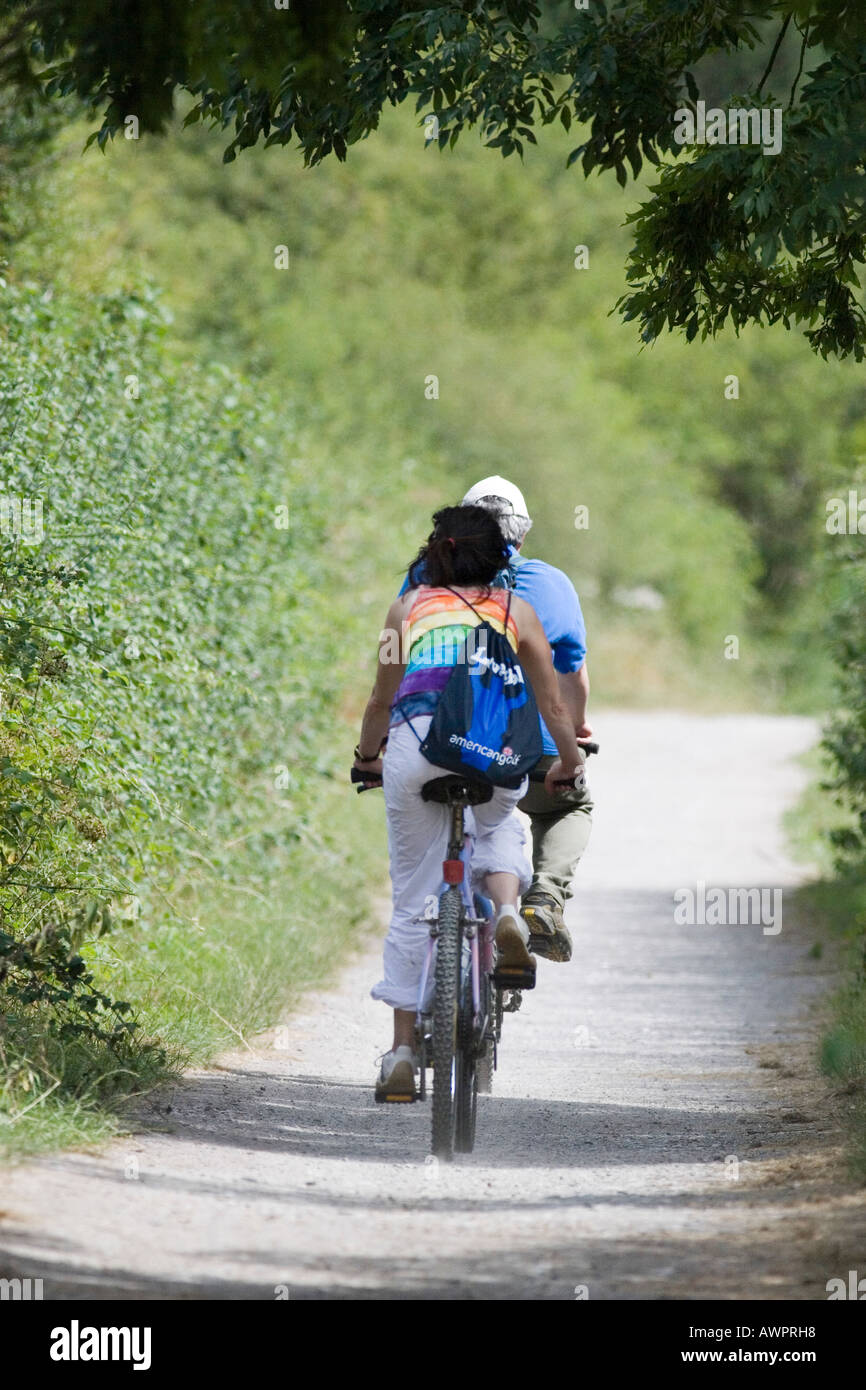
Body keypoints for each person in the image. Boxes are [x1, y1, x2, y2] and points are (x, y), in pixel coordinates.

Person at [354, 504, 584, 1101]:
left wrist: (367, 756)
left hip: (418, 747)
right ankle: (507, 912)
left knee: (412, 898)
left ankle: (402, 1051)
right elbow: (554, 705)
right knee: (502, 820)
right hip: (491, 749)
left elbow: (380, 700)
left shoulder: (407, 608)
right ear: (501, 557)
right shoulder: (519, 610)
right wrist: (569, 763)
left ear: (439, 552)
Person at [402, 476, 593, 963]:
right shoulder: (550, 585)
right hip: (524, 749)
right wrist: (576, 732)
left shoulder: (425, 576)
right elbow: (571, 676)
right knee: (568, 804)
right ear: (522, 535)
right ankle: (544, 898)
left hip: (435, 741)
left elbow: (404, 659)